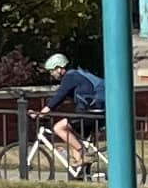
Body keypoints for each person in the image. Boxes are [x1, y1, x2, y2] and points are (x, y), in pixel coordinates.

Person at [34, 51, 107, 179]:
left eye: (52, 71)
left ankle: (84, 154)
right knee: (74, 139)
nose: (51, 74)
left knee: (58, 128)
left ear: (60, 68)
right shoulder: (77, 75)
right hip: (97, 112)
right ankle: (79, 176)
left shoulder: (70, 77)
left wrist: (41, 113)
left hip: (91, 113)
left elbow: (59, 96)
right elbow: (62, 98)